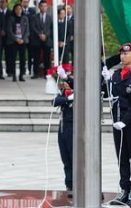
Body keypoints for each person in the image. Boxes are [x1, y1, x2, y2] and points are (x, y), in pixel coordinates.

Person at [103, 42, 131, 207]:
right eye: (121, 53)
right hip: (117, 120)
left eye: (126, 54)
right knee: (122, 157)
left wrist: (125, 121)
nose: (123, 56)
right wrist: (106, 80)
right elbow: (109, 94)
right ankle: (124, 189)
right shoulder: (116, 75)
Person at [53, 65, 74, 198]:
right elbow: (55, 101)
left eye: (68, 80)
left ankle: (76, 183)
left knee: (73, 157)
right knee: (65, 158)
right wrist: (67, 99)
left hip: (73, 127)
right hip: (63, 127)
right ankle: (69, 184)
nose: (65, 83)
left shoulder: (79, 92)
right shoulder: (65, 94)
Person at [6, 4, 30, 82]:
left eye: (20, 9)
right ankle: (13, 75)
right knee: (13, 59)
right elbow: (9, 31)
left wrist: (23, 39)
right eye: (17, 9)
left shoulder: (25, 18)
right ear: (14, 10)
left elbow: (27, 31)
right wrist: (16, 39)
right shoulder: (11, 18)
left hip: (23, 41)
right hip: (14, 41)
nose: (18, 10)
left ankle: (21, 75)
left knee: (22, 59)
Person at [29, 0, 52, 80]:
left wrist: (45, 35)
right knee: (36, 57)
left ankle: (47, 73)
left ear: (47, 7)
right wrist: (39, 35)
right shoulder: (34, 17)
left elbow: (51, 28)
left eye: (45, 6)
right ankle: (35, 73)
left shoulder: (50, 17)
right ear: (39, 7)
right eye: (42, 6)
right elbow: (33, 27)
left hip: (47, 40)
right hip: (37, 40)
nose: (43, 8)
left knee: (47, 58)